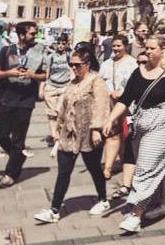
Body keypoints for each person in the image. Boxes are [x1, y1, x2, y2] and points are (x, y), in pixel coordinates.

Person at [103, 34, 165, 234]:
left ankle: (136, 215)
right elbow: (126, 99)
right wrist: (111, 118)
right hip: (143, 121)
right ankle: (162, 203)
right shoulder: (138, 72)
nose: (147, 51)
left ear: (163, 50)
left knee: (146, 166)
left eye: (152, 48)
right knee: (156, 164)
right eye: (146, 48)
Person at [33, 44, 111, 222]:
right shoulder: (73, 82)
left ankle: (103, 199)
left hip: (89, 134)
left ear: (88, 64)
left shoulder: (96, 81)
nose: (74, 68)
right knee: (63, 171)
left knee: (94, 169)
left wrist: (97, 130)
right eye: (72, 64)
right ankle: (54, 210)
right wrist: (57, 130)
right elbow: (64, 106)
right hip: (69, 134)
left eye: (78, 65)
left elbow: (102, 106)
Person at [0, 21, 47, 188]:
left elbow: (46, 75)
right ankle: (18, 156)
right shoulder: (7, 51)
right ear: (21, 35)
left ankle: (11, 174)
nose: (35, 36)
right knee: (2, 134)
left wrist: (33, 75)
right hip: (6, 98)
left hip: (26, 101)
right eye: (32, 33)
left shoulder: (39, 51)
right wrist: (9, 73)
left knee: (19, 138)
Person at [98, 35, 138, 194]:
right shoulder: (107, 64)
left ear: (126, 46)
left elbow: (134, 84)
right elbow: (100, 83)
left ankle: (126, 165)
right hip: (110, 104)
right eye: (114, 46)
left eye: (119, 46)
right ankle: (108, 167)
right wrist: (108, 93)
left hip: (128, 106)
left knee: (127, 136)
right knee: (112, 135)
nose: (115, 49)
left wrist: (122, 92)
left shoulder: (132, 63)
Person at [44, 34, 72, 147]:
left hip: (64, 87)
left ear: (66, 44)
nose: (60, 46)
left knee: (60, 112)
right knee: (51, 114)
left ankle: (59, 134)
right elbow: (47, 71)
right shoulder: (51, 56)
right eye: (59, 43)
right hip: (51, 86)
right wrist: (44, 86)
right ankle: (55, 136)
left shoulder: (69, 56)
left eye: (63, 44)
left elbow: (72, 69)